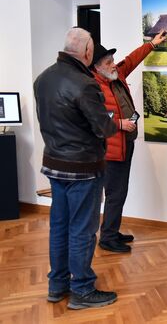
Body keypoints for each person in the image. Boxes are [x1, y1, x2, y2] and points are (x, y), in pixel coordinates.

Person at [34, 27, 118, 310]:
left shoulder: (43, 79)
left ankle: (57, 285)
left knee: (59, 226)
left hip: (55, 164)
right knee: (82, 229)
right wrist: (108, 119)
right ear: (87, 52)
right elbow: (103, 128)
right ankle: (82, 289)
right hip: (83, 168)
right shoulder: (85, 84)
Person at [92, 30, 166, 253]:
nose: (114, 64)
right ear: (97, 67)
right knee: (115, 193)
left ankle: (111, 231)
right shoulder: (92, 86)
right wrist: (120, 124)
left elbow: (132, 59)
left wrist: (152, 44)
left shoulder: (116, 75)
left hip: (126, 144)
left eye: (113, 60)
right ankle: (107, 238)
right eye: (109, 62)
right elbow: (94, 117)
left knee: (119, 192)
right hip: (111, 150)